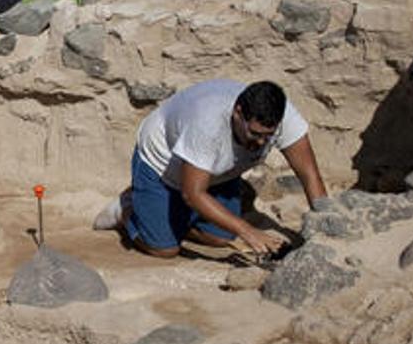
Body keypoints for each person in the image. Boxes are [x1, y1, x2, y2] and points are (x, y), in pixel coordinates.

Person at [95, 79, 328, 258]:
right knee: (164, 250)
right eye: (255, 134)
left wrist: (324, 233)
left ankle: (172, 218)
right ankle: (129, 209)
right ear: (238, 112)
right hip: (162, 167)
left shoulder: (283, 117)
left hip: (216, 171)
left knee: (220, 238)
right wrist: (248, 231)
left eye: (268, 136)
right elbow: (192, 193)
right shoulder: (207, 122)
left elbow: (309, 175)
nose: (260, 143)